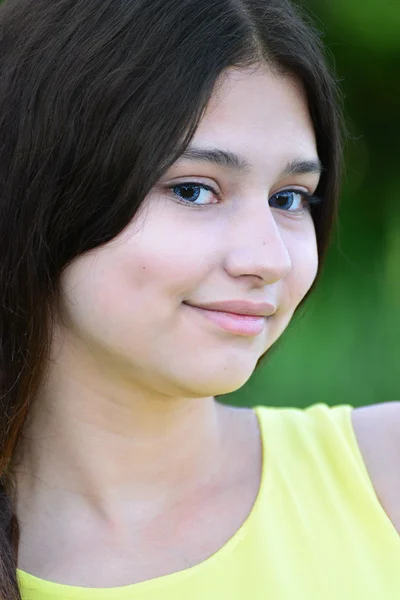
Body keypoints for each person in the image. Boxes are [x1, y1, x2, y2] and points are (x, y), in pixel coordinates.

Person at [0, 0, 399, 598]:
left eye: (290, 198)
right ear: (45, 191)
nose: (268, 259)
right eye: (194, 190)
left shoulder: (384, 475)